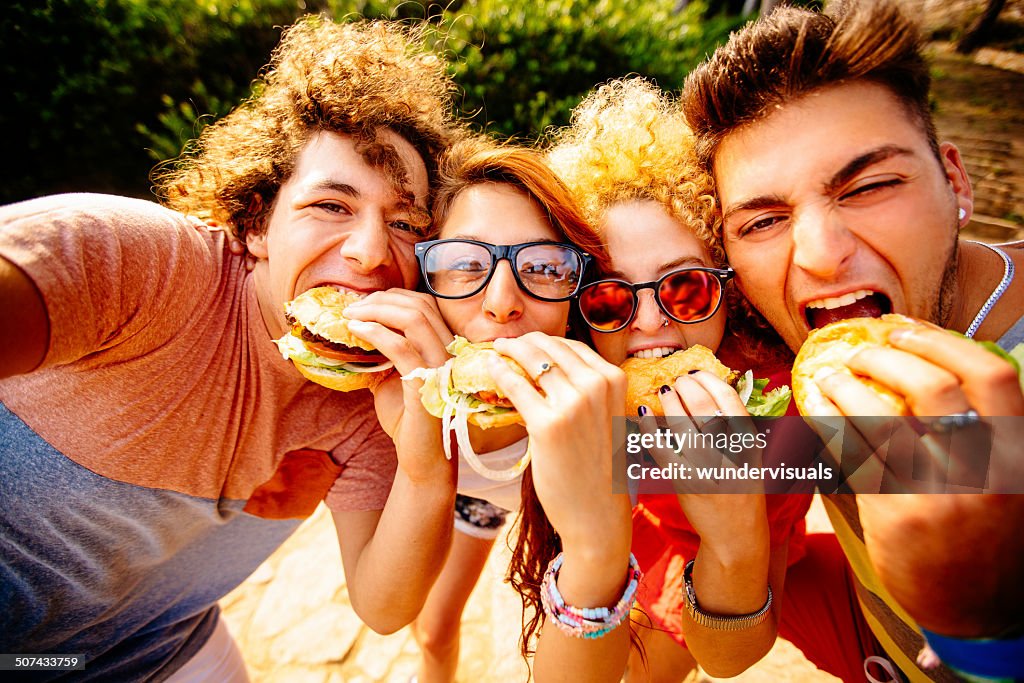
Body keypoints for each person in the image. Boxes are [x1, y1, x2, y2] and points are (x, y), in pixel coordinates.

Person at [0, 16, 466, 681]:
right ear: (256, 225)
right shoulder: (133, 262)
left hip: (152, 642)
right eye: (332, 205)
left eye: (403, 222)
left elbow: (384, 605)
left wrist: (427, 457)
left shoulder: (376, 395)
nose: (369, 251)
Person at [682, 0, 1024, 680]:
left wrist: (985, 630)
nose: (819, 255)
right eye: (762, 222)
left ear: (955, 181)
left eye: (868, 186)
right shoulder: (776, 351)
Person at [536, 76, 876, 682]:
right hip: (635, 531)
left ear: (731, 289)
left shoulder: (781, 409)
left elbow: (956, 456)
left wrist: (740, 526)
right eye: (610, 298)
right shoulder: (575, 374)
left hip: (731, 557)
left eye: (684, 288)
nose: (646, 322)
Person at [341, 135, 611, 683]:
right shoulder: (378, 391)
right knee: (435, 630)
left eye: (543, 266)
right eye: (465, 263)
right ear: (424, 281)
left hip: (538, 507)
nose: (502, 301)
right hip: (470, 505)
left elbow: (820, 457)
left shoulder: (610, 404)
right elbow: (383, 607)